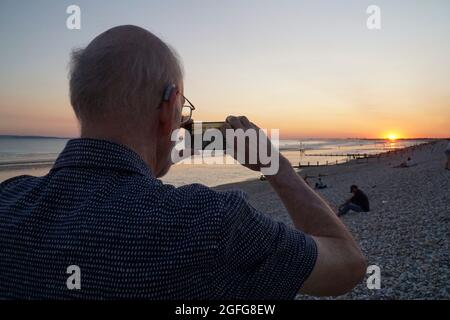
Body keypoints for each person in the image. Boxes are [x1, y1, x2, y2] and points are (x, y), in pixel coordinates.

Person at [0, 25, 366, 299]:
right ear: (170, 106)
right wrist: (277, 167)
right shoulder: (206, 221)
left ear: (79, 104)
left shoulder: (8, 202)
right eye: (183, 113)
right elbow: (347, 265)